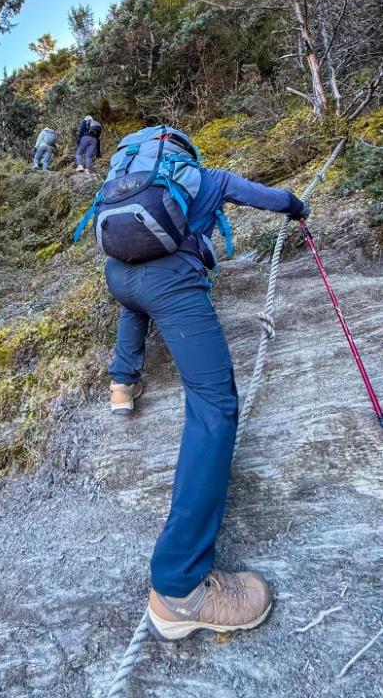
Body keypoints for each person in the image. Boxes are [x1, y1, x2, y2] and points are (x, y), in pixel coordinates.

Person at [104, 143, 309, 642]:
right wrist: (296, 206)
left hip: (118, 275)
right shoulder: (203, 177)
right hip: (170, 282)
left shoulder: (126, 180)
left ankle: (121, 383)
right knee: (214, 407)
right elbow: (264, 196)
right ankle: (180, 586)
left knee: (136, 303)